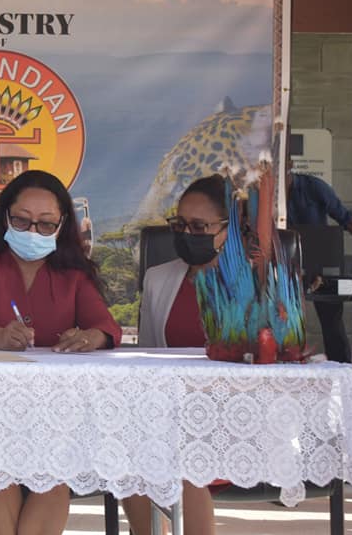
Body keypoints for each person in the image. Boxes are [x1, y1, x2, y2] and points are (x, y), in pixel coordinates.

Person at [0, 170, 121, 535]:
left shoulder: (73, 271)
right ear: (4, 216)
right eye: (21, 220)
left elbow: (106, 327)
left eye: (45, 223)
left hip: (58, 407)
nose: (32, 231)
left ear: (62, 224)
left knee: (54, 465)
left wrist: (91, 337)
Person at [121, 175, 226, 535]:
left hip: (232, 415)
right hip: (170, 414)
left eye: (198, 226)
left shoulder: (261, 283)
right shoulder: (158, 278)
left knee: (179, 454)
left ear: (228, 230)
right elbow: (149, 360)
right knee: (131, 450)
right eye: (179, 224)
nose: (185, 234)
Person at [286, 156, 352, 363]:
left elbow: (346, 219)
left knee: (332, 325)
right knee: (284, 324)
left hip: (321, 269)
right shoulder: (264, 195)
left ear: (290, 165)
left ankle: (343, 372)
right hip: (284, 269)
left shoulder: (313, 187)